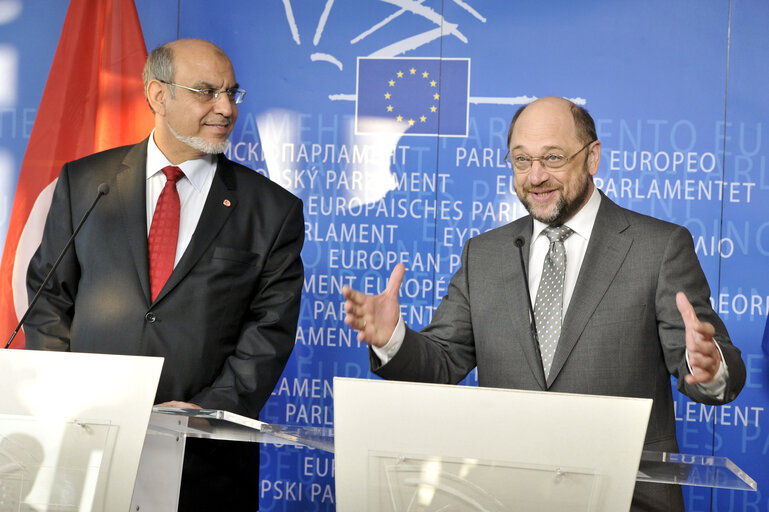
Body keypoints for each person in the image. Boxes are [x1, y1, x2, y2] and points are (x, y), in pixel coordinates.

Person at [342, 96, 745, 511]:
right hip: (503, 496)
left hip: (628, 496)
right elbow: (443, 362)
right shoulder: (485, 253)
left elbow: (715, 373)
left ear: (592, 157)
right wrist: (393, 339)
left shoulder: (658, 248)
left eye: (552, 158)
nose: (535, 176)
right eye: (521, 160)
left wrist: (707, 366)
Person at [25, 39, 304, 511]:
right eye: (206, 92)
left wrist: (205, 415)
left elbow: (269, 334)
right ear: (158, 96)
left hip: (205, 462)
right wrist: (71, 397)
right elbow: (49, 298)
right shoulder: (85, 182)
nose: (225, 108)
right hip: (87, 448)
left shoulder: (272, 210)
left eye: (232, 93)